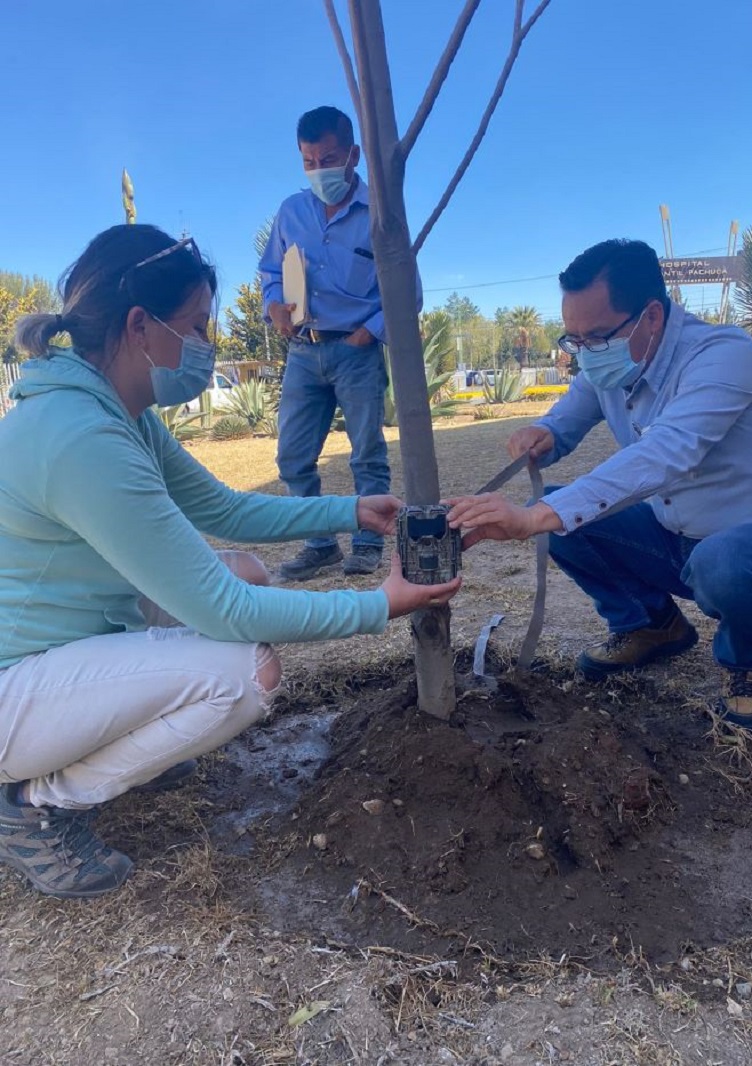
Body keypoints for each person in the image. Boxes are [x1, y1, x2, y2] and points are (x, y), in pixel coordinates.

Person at [0, 224, 459, 900]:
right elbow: (225, 611)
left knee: (242, 566)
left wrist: (350, 509)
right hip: (16, 691)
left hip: (65, 643)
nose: (206, 344)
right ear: (139, 326)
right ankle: (37, 804)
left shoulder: (119, 413)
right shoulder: (82, 439)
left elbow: (226, 511)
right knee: (244, 675)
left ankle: (115, 751)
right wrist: (379, 605)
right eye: (197, 325)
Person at [446, 238, 752, 732]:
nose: (583, 353)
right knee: (560, 511)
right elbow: (568, 415)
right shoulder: (613, 359)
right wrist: (544, 433)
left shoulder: (723, 356)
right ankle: (650, 626)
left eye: (594, 337)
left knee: (726, 560)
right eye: (573, 339)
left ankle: (749, 665)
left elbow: (665, 452)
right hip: (674, 538)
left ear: (651, 316)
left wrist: (530, 521)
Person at [259, 105, 422, 581]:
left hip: (356, 352)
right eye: (308, 161)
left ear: (352, 154)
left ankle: (369, 544)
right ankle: (320, 544)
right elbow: (271, 272)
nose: (318, 170)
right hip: (303, 353)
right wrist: (274, 306)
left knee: (366, 453)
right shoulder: (291, 212)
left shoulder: (382, 215)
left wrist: (366, 333)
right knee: (292, 456)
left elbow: (406, 292)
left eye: (327, 158)